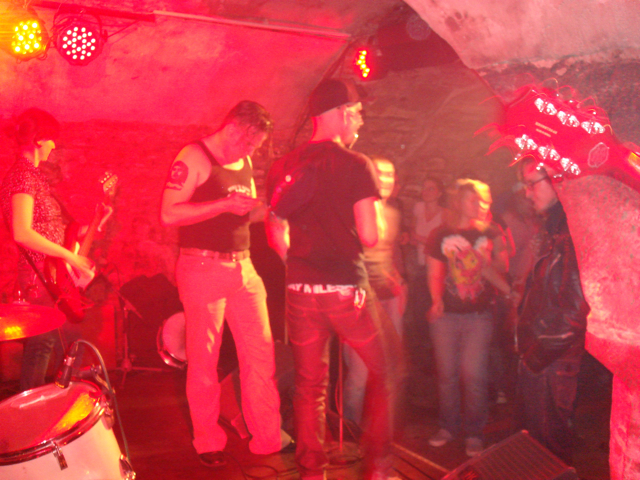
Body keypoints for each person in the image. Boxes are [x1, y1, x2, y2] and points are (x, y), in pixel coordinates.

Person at [265, 79, 398, 480]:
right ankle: (377, 467)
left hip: (300, 292)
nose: (360, 122)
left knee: (310, 385)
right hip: (345, 291)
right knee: (386, 369)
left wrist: (297, 263)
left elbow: (274, 228)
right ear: (340, 114)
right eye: (357, 114)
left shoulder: (283, 166)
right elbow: (370, 236)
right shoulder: (356, 164)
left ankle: (312, 472)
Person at [160, 100, 291, 468]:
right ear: (233, 129)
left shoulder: (243, 160)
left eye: (256, 147)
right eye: (249, 143)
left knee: (261, 354)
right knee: (204, 360)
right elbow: (169, 213)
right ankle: (207, 440)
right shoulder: (194, 156)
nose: (251, 151)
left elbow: (241, 215)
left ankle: (267, 438)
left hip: (244, 268)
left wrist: (272, 208)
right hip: (202, 268)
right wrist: (222, 204)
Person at [0, 108, 95, 391]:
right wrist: (69, 256)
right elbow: (22, 231)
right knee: (44, 345)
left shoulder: (31, 175)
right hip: (39, 274)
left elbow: (47, 228)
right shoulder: (23, 175)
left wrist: (73, 248)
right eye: (51, 139)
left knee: (60, 342)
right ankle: (33, 407)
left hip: (50, 273)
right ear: (39, 139)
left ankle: (54, 400)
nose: (54, 145)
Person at [425, 178, 514, 457]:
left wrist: (490, 256)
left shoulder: (492, 232)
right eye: (474, 199)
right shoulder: (441, 234)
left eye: (485, 200)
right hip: (446, 317)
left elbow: (502, 267)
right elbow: (434, 271)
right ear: (459, 201)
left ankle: (474, 433)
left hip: (479, 315)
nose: (481, 205)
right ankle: (448, 427)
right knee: (446, 375)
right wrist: (436, 300)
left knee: (473, 375)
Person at [515, 157, 589, 465]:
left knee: (548, 453)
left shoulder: (572, 230)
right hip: (546, 356)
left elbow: (574, 311)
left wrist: (535, 358)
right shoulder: (558, 228)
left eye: (532, 184)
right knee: (538, 446)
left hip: (552, 360)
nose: (527, 193)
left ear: (557, 180)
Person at [343, 156, 406, 425]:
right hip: (360, 303)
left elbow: (387, 256)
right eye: (380, 174)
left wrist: (399, 283)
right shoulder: (353, 212)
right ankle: (351, 429)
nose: (386, 180)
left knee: (392, 370)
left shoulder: (392, 213)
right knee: (360, 374)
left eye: (390, 174)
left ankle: (383, 432)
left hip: (388, 301)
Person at [405, 176, 444, 405]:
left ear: (439, 193)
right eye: (424, 188)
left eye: (431, 188)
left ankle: (435, 364)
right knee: (419, 317)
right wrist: (413, 239)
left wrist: (418, 239)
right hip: (419, 268)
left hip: (435, 270)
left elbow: (436, 242)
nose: (426, 191)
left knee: (432, 313)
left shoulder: (445, 214)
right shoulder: (418, 208)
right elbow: (412, 234)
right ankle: (424, 368)